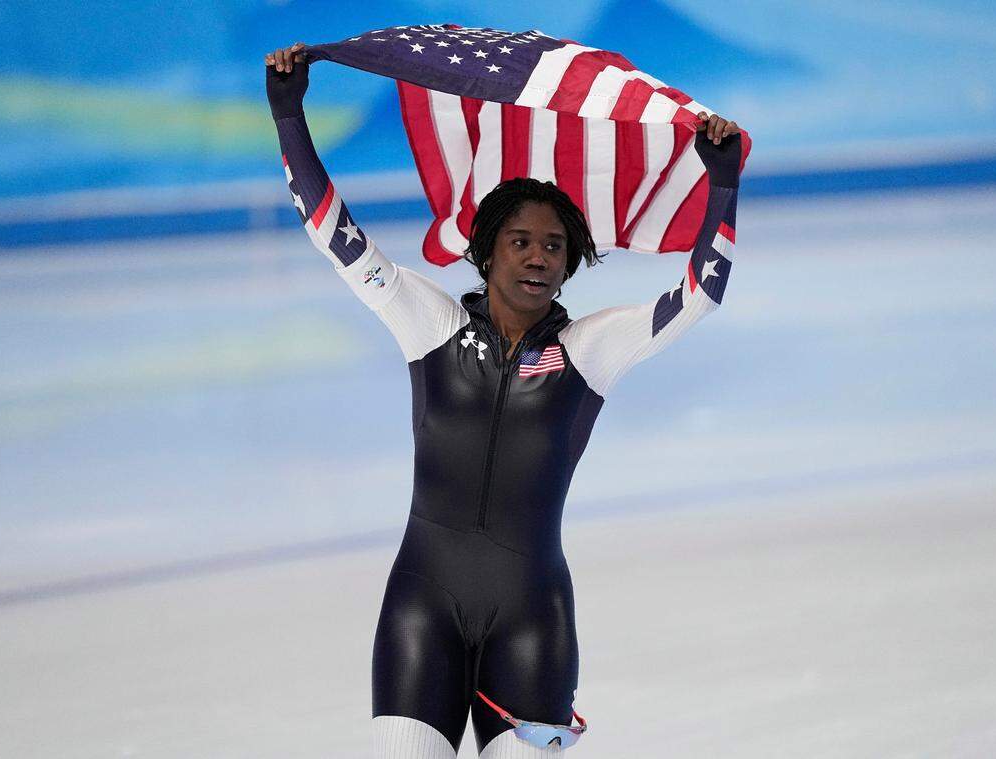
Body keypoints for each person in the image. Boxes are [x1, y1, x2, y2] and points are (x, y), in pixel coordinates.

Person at [266, 41, 743, 759]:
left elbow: (701, 294)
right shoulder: (428, 324)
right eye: (520, 241)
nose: (537, 256)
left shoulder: (588, 350)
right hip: (420, 610)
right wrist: (288, 112)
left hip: (532, 626)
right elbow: (335, 233)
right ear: (488, 251)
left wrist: (723, 188)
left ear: (570, 261)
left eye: (553, 246)